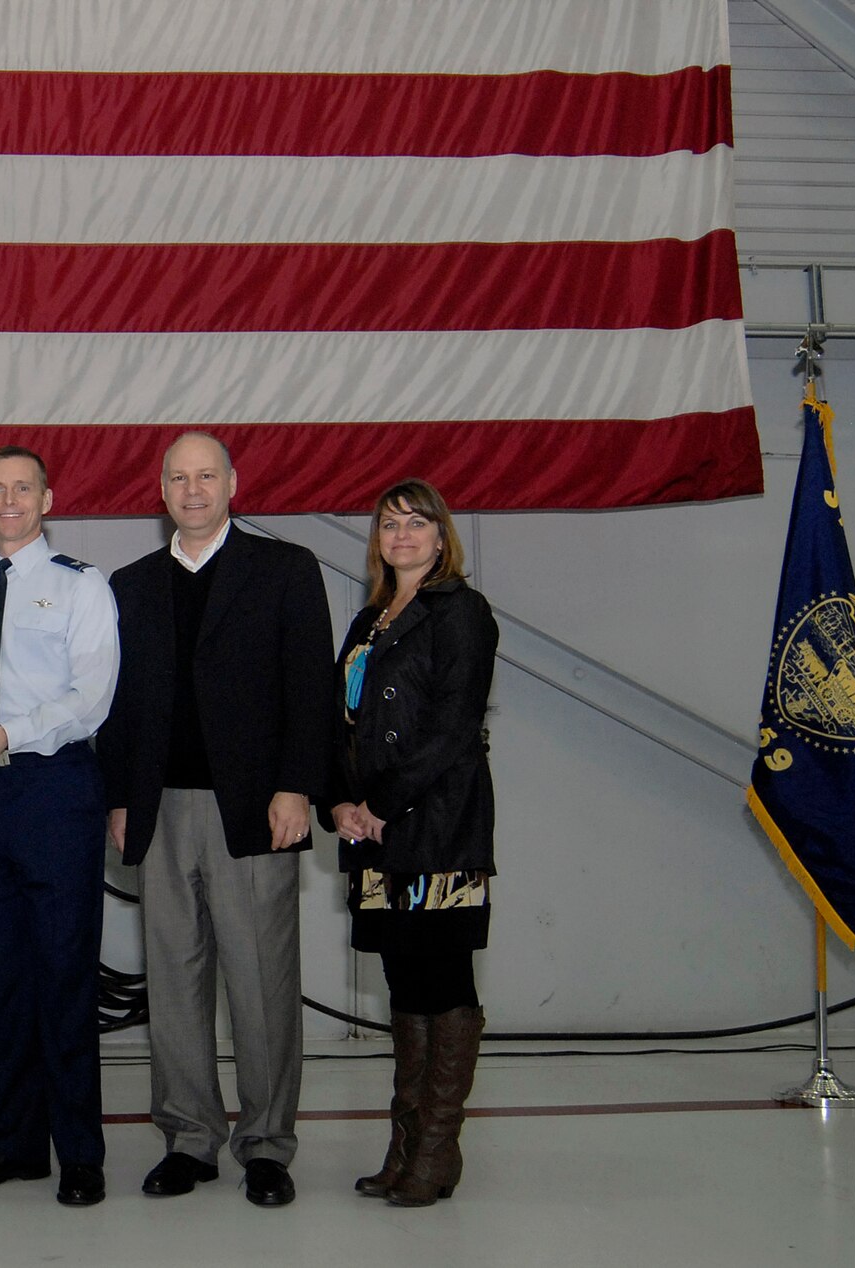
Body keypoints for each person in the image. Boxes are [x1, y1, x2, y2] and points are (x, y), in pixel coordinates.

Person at [96, 431, 337, 1207]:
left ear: (233, 482)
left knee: (261, 981)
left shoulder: (285, 569)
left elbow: (310, 688)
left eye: (206, 475)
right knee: (173, 982)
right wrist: (122, 797)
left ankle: (266, 1144)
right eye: (178, 477)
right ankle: (189, 1137)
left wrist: (297, 786)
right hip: (160, 809)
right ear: (159, 490)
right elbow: (120, 705)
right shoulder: (130, 584)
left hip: (255, 811)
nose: (193, 489)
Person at [0, 446, 119, 1207]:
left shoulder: (82, 587)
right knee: (5, 981)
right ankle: (16, 1143)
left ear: (47, 498)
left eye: (23, 488)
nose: (9, 501)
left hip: (55, 792)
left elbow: (93, 695)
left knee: (65, 976)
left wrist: (14, 733)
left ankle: (79, 1151)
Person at [325, 478, 497, 1208]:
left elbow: (453, 730)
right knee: (402, 985)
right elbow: (340, 721)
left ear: (441, 534)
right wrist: (342, 802)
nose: (403, 535)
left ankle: (436, 1150)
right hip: (374, 834)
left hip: (438, 829)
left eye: (417, 522)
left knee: (443, 983)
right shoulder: (368, 618)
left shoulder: (461, 612)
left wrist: (381, 803)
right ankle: (404, 1147)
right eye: (390, 523)